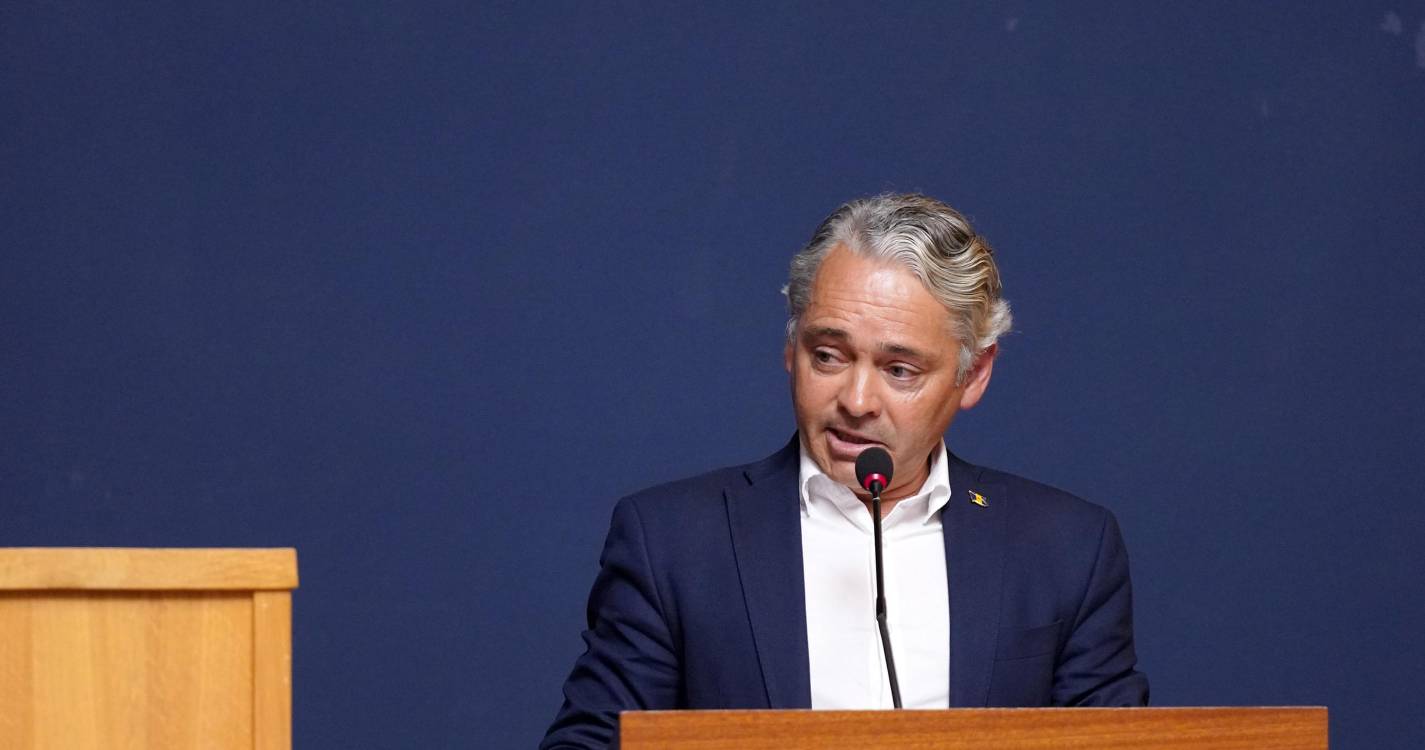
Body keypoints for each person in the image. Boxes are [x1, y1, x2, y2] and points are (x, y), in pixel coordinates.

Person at [541, 194, 1149, 749]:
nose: (856, 401)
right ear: (791, 348)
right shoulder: (673, 542)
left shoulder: (1066, 548)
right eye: (828, 355)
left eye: (900, 370)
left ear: (974, 374)